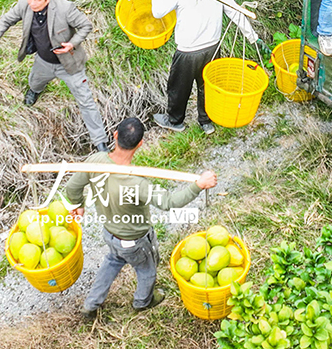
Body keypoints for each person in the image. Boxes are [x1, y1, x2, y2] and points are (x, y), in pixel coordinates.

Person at [64, 116, 217, 319]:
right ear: (140, 144)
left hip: (110, 234)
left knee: (112, 261)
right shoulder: (137, 183)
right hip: (135, 241)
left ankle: (91, 304)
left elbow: (72, 187)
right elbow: (170, 202)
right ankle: (143, 301)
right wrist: (198, 184)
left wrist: (78, 205)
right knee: (147, 270)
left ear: (115, 135)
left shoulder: (95, 161)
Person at [0, 0, 108, 151]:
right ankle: (34, 91)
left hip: (69, 65)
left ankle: (100, 141)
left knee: (86, 101)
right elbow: (6, 20)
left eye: (37, 0)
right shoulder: (23, 4)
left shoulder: (65, 8)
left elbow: (85, 26)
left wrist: (72, 44)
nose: (32, 3)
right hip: (43, 60)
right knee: (35, 82)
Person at [151, 0, 268, 134]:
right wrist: (253, 37)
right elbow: (235, 12)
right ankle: (206, 122)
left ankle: (175, 121)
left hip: (188, 52)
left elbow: (157, 12)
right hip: (213, 47)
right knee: (208, 85)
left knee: (178, 87)